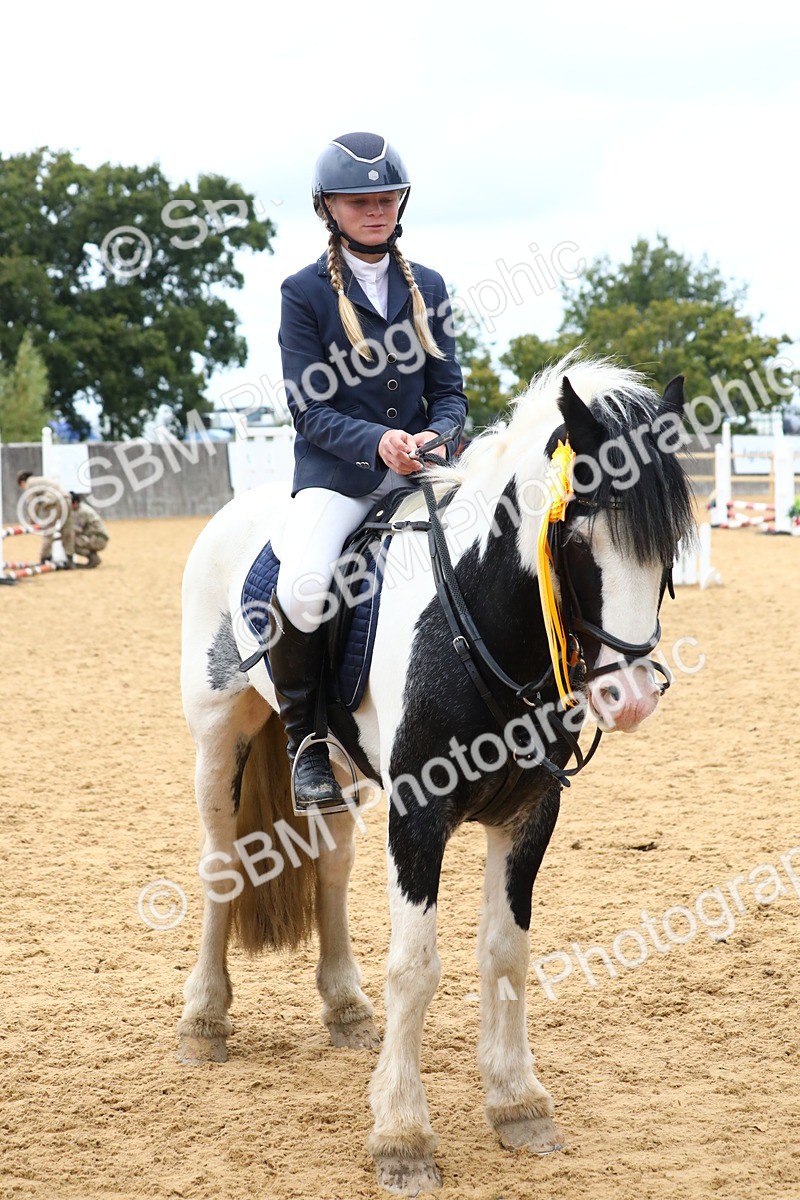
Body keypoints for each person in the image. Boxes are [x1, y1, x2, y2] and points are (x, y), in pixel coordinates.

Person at [269, 131, 468, 812]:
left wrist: (440, 435)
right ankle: (306, 742)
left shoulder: (428, 286)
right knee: (303, 589)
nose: (376, 210)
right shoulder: (303, 293)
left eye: (386, 198)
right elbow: (309, 408)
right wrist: (379, 441)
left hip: (423, 473)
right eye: (360, 201)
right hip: (339, 478)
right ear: (329, 207)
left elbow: (450, 392)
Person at [16, 471, 76, 567]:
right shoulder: (39, 479)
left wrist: (31, 521)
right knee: (67, 531)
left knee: (48, 532)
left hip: (54, 502)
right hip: (67, 499)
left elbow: (33, 504)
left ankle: (44, 558)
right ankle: (70, 560)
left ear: (22, 482)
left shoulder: (29, 484)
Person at [71, 493, 109, 567]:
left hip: (98, 539)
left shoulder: (82, 512)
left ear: (75, 503)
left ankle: (93, 558)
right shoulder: (81, 508)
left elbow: (77, 530)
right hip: (96, 537)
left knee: (71, 543)